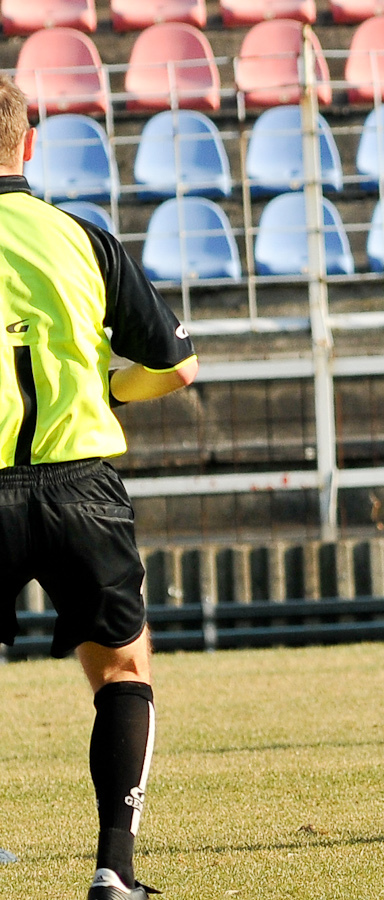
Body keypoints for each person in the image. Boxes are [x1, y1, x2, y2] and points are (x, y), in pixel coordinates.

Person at [0, 75, 199, 900]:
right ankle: (114, 870)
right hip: (80, 485)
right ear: (29, 144)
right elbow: (177, 367)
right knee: (122, 670)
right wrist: (106, 389)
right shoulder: (83, 239)